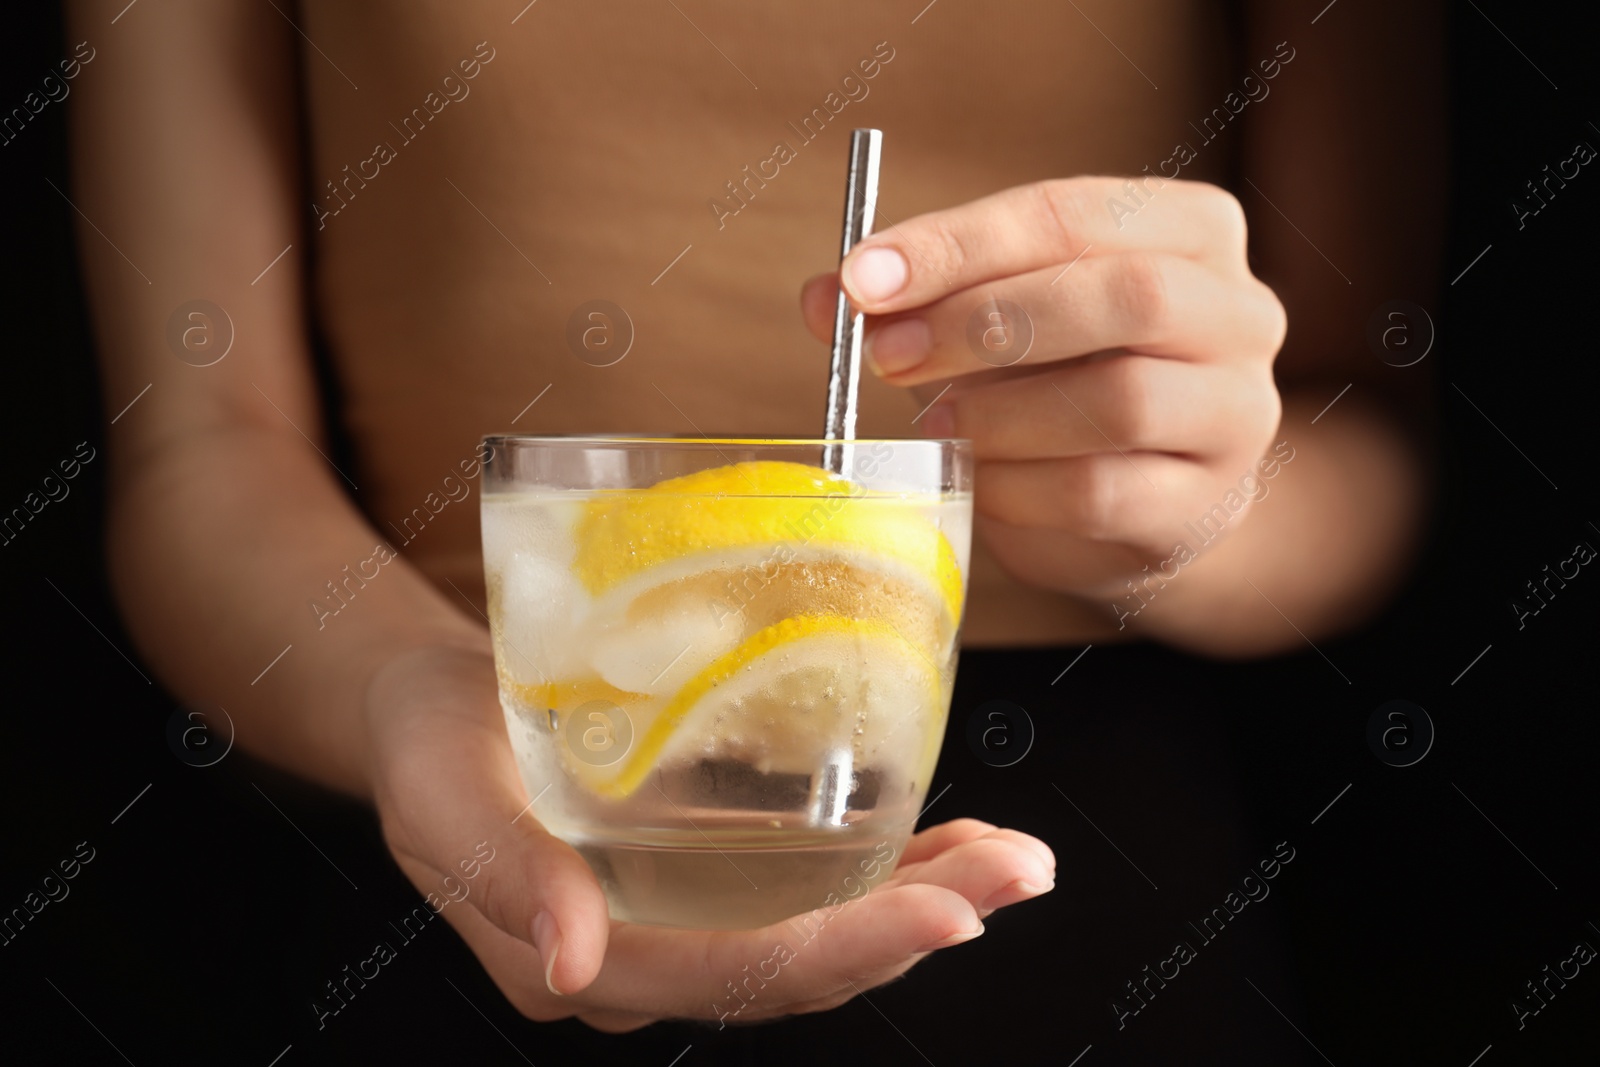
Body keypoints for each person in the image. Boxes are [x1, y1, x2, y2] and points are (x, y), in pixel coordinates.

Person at [64, 0, 1442, 1033]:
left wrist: (1198, 516)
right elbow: (202, 447)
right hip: (458, 822)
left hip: (1084, 881)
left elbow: (1367, 439)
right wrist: (407, 695)